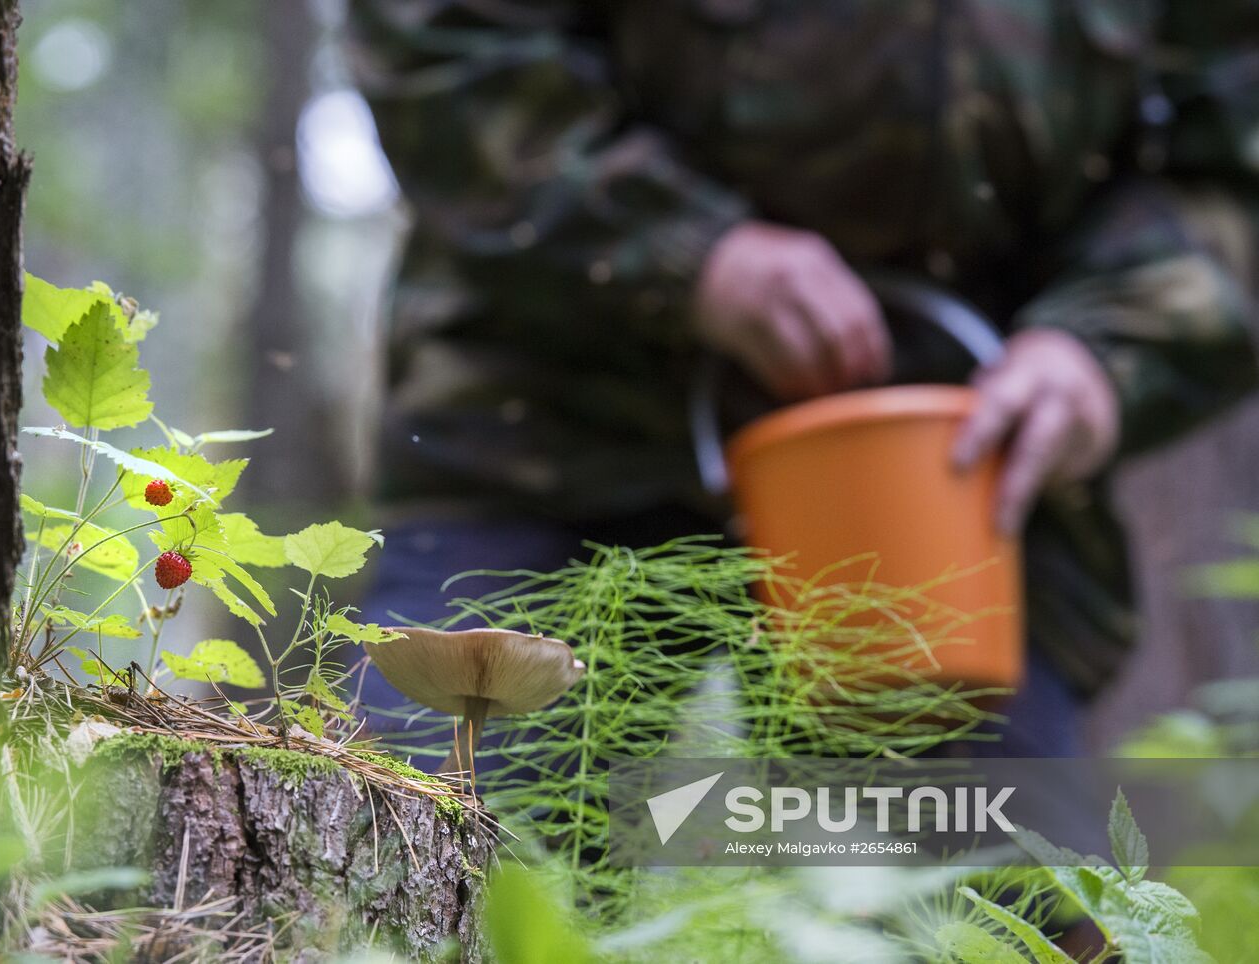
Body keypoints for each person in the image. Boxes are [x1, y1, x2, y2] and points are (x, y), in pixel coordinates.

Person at [345, 1, 1259, 759]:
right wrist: (684, 246)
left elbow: (1228, 174)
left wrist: (1107, 345)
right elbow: (443, 40)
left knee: (999, 908)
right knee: (414, 854)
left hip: (948, 489)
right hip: (550, 427)